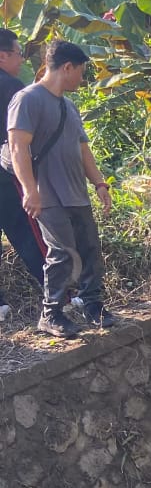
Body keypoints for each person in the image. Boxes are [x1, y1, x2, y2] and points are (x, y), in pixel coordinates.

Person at [5, 39, 114, 339]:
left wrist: (99, 183)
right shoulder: (27, 99)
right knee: (62, 254)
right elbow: (18, 147)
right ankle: (51, 314)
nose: (82, 78)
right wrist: (30, 190)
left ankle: (93, 306)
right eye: (81, 71)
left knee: (90, 250)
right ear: (67, 67)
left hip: (76, 191)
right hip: (48, 194)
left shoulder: (69, 106)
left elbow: (83, 149)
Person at [0, 30, 46, 307]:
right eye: (18, 54)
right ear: (2, 56)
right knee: (28, 233)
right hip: (5, 175)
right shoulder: (10, 87)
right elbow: (20, 137)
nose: (21, 60)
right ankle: (59, 293)